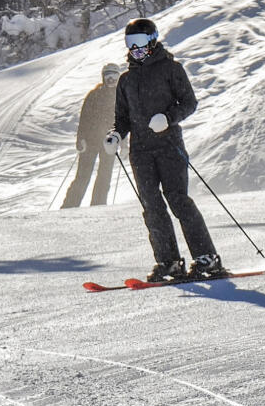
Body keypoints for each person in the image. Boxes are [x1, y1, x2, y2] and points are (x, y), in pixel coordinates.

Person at [109, 17, 224, 282]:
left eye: (139, 42)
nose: (135, 49)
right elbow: (122, 118)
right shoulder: (126, 80)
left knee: (178, 199)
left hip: (169, 146)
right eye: (130, 43)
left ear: (152, 41)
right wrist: (115, 134)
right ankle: (169, 262)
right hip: (141, 152)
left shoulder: (171, 69)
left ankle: (207, 259)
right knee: (152, 206)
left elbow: (189, 102)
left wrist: (168, 118)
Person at [62, 63, 120, 208]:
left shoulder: (121, 96)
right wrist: (80, 139)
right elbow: (84, 118)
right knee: (83, 176)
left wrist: (123, 143)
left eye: (114, 75)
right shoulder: (94, 95)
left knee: (104, 176)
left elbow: (125, 121)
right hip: (90, 141)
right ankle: (69, 206)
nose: (111, 79)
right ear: (103, 77)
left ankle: (98, 206)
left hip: (109, 141)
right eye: (108, 75)